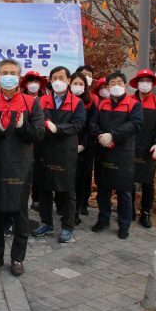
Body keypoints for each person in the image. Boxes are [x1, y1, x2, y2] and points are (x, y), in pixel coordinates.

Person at [0, 60, 44, 276]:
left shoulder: (30, 103)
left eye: (13, 73)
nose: (9, 76)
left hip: (21, 164)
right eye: (4, 73)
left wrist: (22, 127)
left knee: (20, 212)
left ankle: (17, 258)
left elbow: (39, 134)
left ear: (19, 77)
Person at [31, 66, 85, 243]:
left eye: (61, 77)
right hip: (44, 149)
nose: (58, 81)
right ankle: (46, 223)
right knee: (45, 188)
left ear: (69, 80)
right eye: (54, 78)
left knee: (68, 191)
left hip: (65, 151)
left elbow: (79, 124)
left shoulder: (77, 102)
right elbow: (37, 121)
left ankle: (68, 227)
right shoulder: (41, 100)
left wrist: (59, 129)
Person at [90, 72, 143, 239]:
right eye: (112, 83)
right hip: (103, 150)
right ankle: (103, 219)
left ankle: (124, 224)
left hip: (122, 152)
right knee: (103, 189)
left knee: (124, 192)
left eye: (119, 82)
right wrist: (100, 136)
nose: (115, 85)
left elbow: (135, 124)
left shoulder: (134, 105)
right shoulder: (102, 104)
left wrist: (113, 135)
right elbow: (92, 123)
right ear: (107, 87)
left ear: (126, 85)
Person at [129, 70, 156, 228]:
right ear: (137, 83)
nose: (144, 83)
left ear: (152, 84)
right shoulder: (129, 100)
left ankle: (145, 212)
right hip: (130, 147)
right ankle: (129, 210)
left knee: (147, 182)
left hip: (149, 146)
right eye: (142, 80)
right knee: (128, 181)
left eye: (148, 80)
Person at [70, 71, 98, 225]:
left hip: (83, 147)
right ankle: (64, 207)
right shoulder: (64, 101)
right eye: (75, 83)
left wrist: (84, 144)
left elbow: (92, 127)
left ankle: (76, 210)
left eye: (81, 84)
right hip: (66, 146)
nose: (78, 87)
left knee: (80, 180)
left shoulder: (91, 103)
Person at [20, 71, 48, 213]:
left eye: (35, 82)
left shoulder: (45, 99)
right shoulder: (20, 98)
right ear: (25, 84)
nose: (33, 85)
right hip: (23, 141)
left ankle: (36, 199)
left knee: (39, 172)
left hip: (40, 140)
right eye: (30, 81)